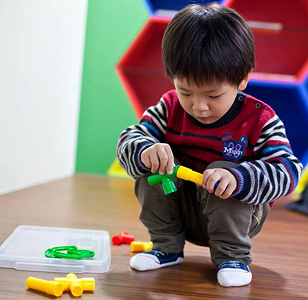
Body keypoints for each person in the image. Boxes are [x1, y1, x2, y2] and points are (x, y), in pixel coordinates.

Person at [116, 3, 302, 287]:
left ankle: (232, 257)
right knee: (153, 169)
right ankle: (166, 247)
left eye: (213, 95)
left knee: (223, 168)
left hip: (237, 219)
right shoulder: (168, 107)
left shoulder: (261, 119)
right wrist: (145, 150)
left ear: (242, 80)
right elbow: (129, 139)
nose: (198, 106)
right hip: (182, 213)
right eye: (185, 92)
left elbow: (289, 171)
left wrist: (239, 178)